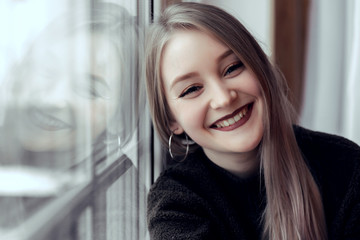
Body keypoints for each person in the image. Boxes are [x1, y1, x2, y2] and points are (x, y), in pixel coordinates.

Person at [145, 2, 360, 240]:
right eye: (192, 89)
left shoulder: (347, 166)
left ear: (260, 68)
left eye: (232, 68)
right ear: (171, 120)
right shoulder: (176, 202)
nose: (224, 98)